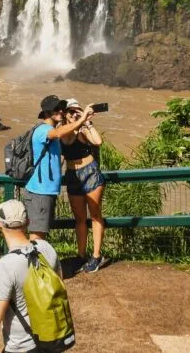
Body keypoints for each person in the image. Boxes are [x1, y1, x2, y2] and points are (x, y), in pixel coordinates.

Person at [0, 199, 64, 353]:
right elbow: (59, 285)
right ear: (27, 222)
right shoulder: (46, 248)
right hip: (50, 340)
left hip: (22, 347)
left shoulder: (5, 265)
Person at [23, 95, 90, 241]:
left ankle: (40, 263)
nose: (61, 111)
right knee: (36, 236)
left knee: (41, 234)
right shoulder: (43, 130)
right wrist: (82, 118)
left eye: (61, 108)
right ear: (47, 113)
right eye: (56, 109)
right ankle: (35, 264)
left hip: (46, 190)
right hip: (39, 191)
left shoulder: (51, 131)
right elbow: (59, 133)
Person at [61, 98, 109, 274]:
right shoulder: (63, 131)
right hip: (72, 175)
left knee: (95, 215)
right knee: (79, 218)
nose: (74, 114)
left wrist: (87, 122)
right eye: (71, 111)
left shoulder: (83, 129)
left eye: (77, 111)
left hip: (90, 173)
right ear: (64, 114)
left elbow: (97, 141)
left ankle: (96, 256)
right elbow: (66, 141)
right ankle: (80, 255)